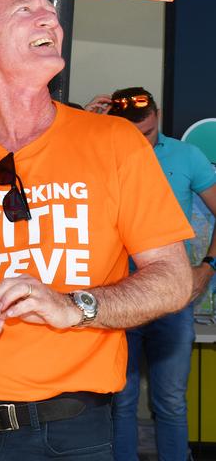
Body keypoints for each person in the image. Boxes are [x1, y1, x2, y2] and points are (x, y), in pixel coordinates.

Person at [0, 0, 194, 461]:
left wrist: (75, 306)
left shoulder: (116, 142)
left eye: (49, 11)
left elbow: (175, 280)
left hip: (65, 435)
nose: (50, 19)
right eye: (25, 9)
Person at [86, 87, 216, 461]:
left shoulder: (187, 155)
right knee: (120, 399)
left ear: (157, 115)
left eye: (147, 132)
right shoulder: (97, 151)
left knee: (171, 401)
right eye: (132, 133)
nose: (141, 141)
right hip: (116, 290)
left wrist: (207, 269)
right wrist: (84, 124)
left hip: (173, 291)